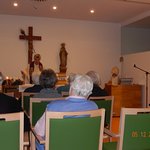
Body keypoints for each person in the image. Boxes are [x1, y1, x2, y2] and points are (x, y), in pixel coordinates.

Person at [34, 74, 98, 150]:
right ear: (89, 94)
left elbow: (39, 131)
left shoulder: (53, 106)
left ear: (71, 89)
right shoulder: (94, 107)